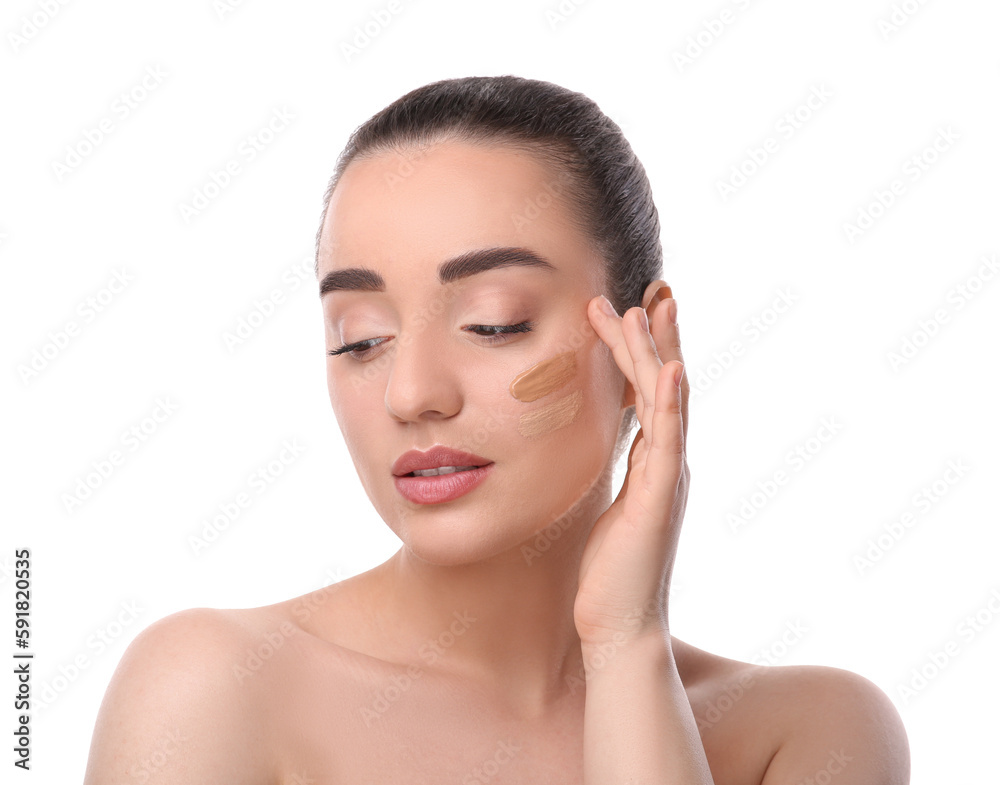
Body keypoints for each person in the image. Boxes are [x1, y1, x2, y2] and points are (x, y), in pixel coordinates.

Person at [83, 75, 910, 783]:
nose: (412, 392)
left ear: (641, 345)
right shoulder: (210, 686)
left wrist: (625, 645)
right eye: (360, 339)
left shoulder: (808, 733)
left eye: (493, 323)